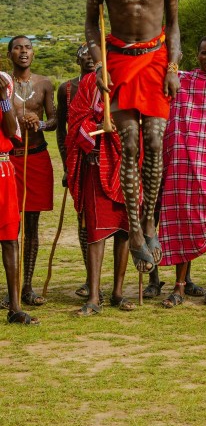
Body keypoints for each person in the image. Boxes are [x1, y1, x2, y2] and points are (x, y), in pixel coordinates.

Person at [85, 0, 181, 274]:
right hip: (120, 61)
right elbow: (92, 24)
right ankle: (136, 232)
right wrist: (98, 65)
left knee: (156, 143)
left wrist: (173, 66)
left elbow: (173, 24)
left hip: (156, 59)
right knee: (129, 146)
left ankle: (150, 219)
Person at [145, 36, 206, 308]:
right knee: (182, 220)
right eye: (203, 53)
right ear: (196, 55)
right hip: (184, 166)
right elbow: (159, 71)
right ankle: (179, 285)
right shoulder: (183, 81)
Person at [65, 71, 134, 315]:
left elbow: (141, 119)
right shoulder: (89, 83)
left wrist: (120, 126)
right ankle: (94, 296)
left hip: (125, 164)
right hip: (95, 165)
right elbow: (75, 120)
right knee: (96, 232)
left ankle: (118, 292)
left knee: (124, 230)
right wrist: (95, 127)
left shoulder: (130, 77)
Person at [5, 35, 57, 308]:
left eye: (27, 48)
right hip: (9, 160)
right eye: (18, 48)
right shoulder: (3, 84)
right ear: (9, 54)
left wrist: (41, 124)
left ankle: (27, 287)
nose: (23, 52)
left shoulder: (45, 84)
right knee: (9, 227)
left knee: (32, 226)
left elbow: (55, 119)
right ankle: (11, 290)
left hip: (36, 158)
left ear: (33, 53)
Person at [0, 71, 39, 325]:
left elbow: (9, 128)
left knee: (9, 238)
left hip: (2, 169)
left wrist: (3, 97)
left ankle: (14, 307)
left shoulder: (3, 80)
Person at [57, 43, 95, 299]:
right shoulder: (67, 88)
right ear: (77, 59)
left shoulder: (108, 84)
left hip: (105, 159)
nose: (90, 59)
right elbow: (61, 127)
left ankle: (114, 283)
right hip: (78, 160)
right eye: (85, 54)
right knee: (83, 219)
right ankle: (90, 278)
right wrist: (66, 164)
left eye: (95, 55)